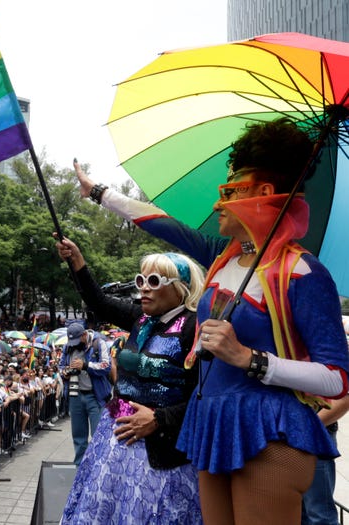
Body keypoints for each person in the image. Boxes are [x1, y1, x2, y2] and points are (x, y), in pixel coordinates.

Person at [73, 118, 349, 524]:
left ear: (264, 194)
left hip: (267, 429)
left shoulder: (303, 272)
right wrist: (98, 193)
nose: (217, 204)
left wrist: (251, 359)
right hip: (212, 425)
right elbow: (159, 221)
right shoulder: (222, 255)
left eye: (230, 191)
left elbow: (338, 377)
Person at [56, 239, 205, 524]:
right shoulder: (141, 319)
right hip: (113, 445)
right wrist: (77, 263)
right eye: (141, 279)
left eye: (153, 280)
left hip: (162, 457)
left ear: (180, 287)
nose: (143, 287)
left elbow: (206, 396)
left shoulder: (195, 329)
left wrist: (160, 418)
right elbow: (99, 301)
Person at [58, 322, 111, 464]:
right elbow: (61, 365)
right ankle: (79, 468)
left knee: (97, 436)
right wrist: (65, 372)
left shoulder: (99, 343)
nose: (74, 344)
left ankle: (97, 468)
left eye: (77, 340)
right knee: (79, 437)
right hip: (75, 396)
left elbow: (106, 366)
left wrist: (86, 365)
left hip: (95, 396)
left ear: (84, 335)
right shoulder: (68, 347)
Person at [302, 395, 349, 525]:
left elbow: (343, 398)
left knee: (320, 515)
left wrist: (305, 428)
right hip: (279, 437)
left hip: (315, 438)